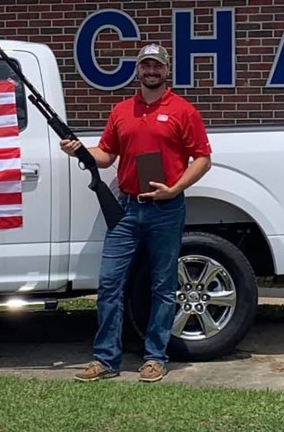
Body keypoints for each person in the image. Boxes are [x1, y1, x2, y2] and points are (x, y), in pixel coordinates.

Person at [61, 43, 212, 383]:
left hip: (167, 208)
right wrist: (79, 150)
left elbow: (203, 157)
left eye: (157, 65)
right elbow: (106, 157)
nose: (151, 71)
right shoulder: (121, 111)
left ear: (166, 70)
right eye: (146, 65)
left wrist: (174, 189)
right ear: (138, 70)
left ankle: (155, 357)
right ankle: (105, 359)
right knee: (110, 283)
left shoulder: (183, 111)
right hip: (127, 209)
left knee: (162, 286)